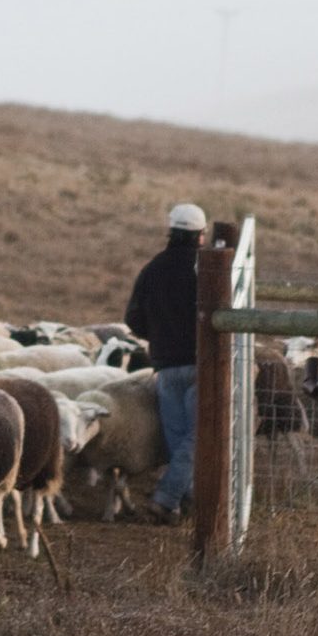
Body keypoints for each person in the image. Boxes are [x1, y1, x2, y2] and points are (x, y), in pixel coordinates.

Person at [123, 202, 208, 521]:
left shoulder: (153, 268)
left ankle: (181, 503)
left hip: (166, 368)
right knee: (199, 436)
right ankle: (166, 496)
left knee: (178, 438)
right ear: (201, 235)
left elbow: (132, 318)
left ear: (171, 231)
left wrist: (158, 336)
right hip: (202, 366)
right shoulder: (207, 269)